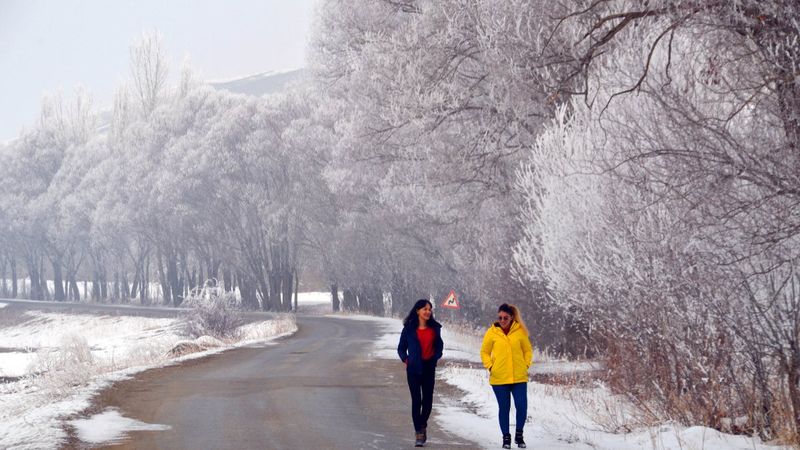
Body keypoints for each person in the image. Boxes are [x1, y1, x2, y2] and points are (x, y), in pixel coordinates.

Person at [480, 303, 532, 449]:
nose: (502, 320)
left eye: (505, 318)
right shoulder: (492, 332)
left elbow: (528, 351)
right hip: (499, 378)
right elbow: (484, 352)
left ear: (511, 318)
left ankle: (519, 435)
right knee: (504, 407)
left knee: (522, 407)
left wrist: (526, 365)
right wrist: (490, 366)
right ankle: (506, 438)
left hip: (519, 377)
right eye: (500, 317)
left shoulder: (520, 331)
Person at [397, 299, 444, 447]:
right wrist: (406, 360)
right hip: (413, 369)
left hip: (429, 368)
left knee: (428, 401)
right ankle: (418, 432)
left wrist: (436, 357)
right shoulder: (409, 329)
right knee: (416, 401)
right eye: (425, 309)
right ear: (418, 311)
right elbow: (401, 348)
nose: (428, 312)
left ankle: (422, 424)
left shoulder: (435, 328)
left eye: (429, 309)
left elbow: (439, 347)